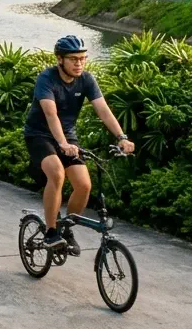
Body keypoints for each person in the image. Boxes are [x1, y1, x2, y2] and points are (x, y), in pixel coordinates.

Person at [25, 35, 134, 254]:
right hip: (40, 135)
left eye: (82, 58)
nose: (79, 63)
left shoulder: (86, 79)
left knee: (84, 185)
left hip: (68, 138)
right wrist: (62, 143)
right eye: (73, 59)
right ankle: (51, 233)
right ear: (60, 59)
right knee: (56, 174)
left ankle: (66, 228)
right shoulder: (47, 78)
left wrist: (121, 136)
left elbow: (102, 109)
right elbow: (50, 113)